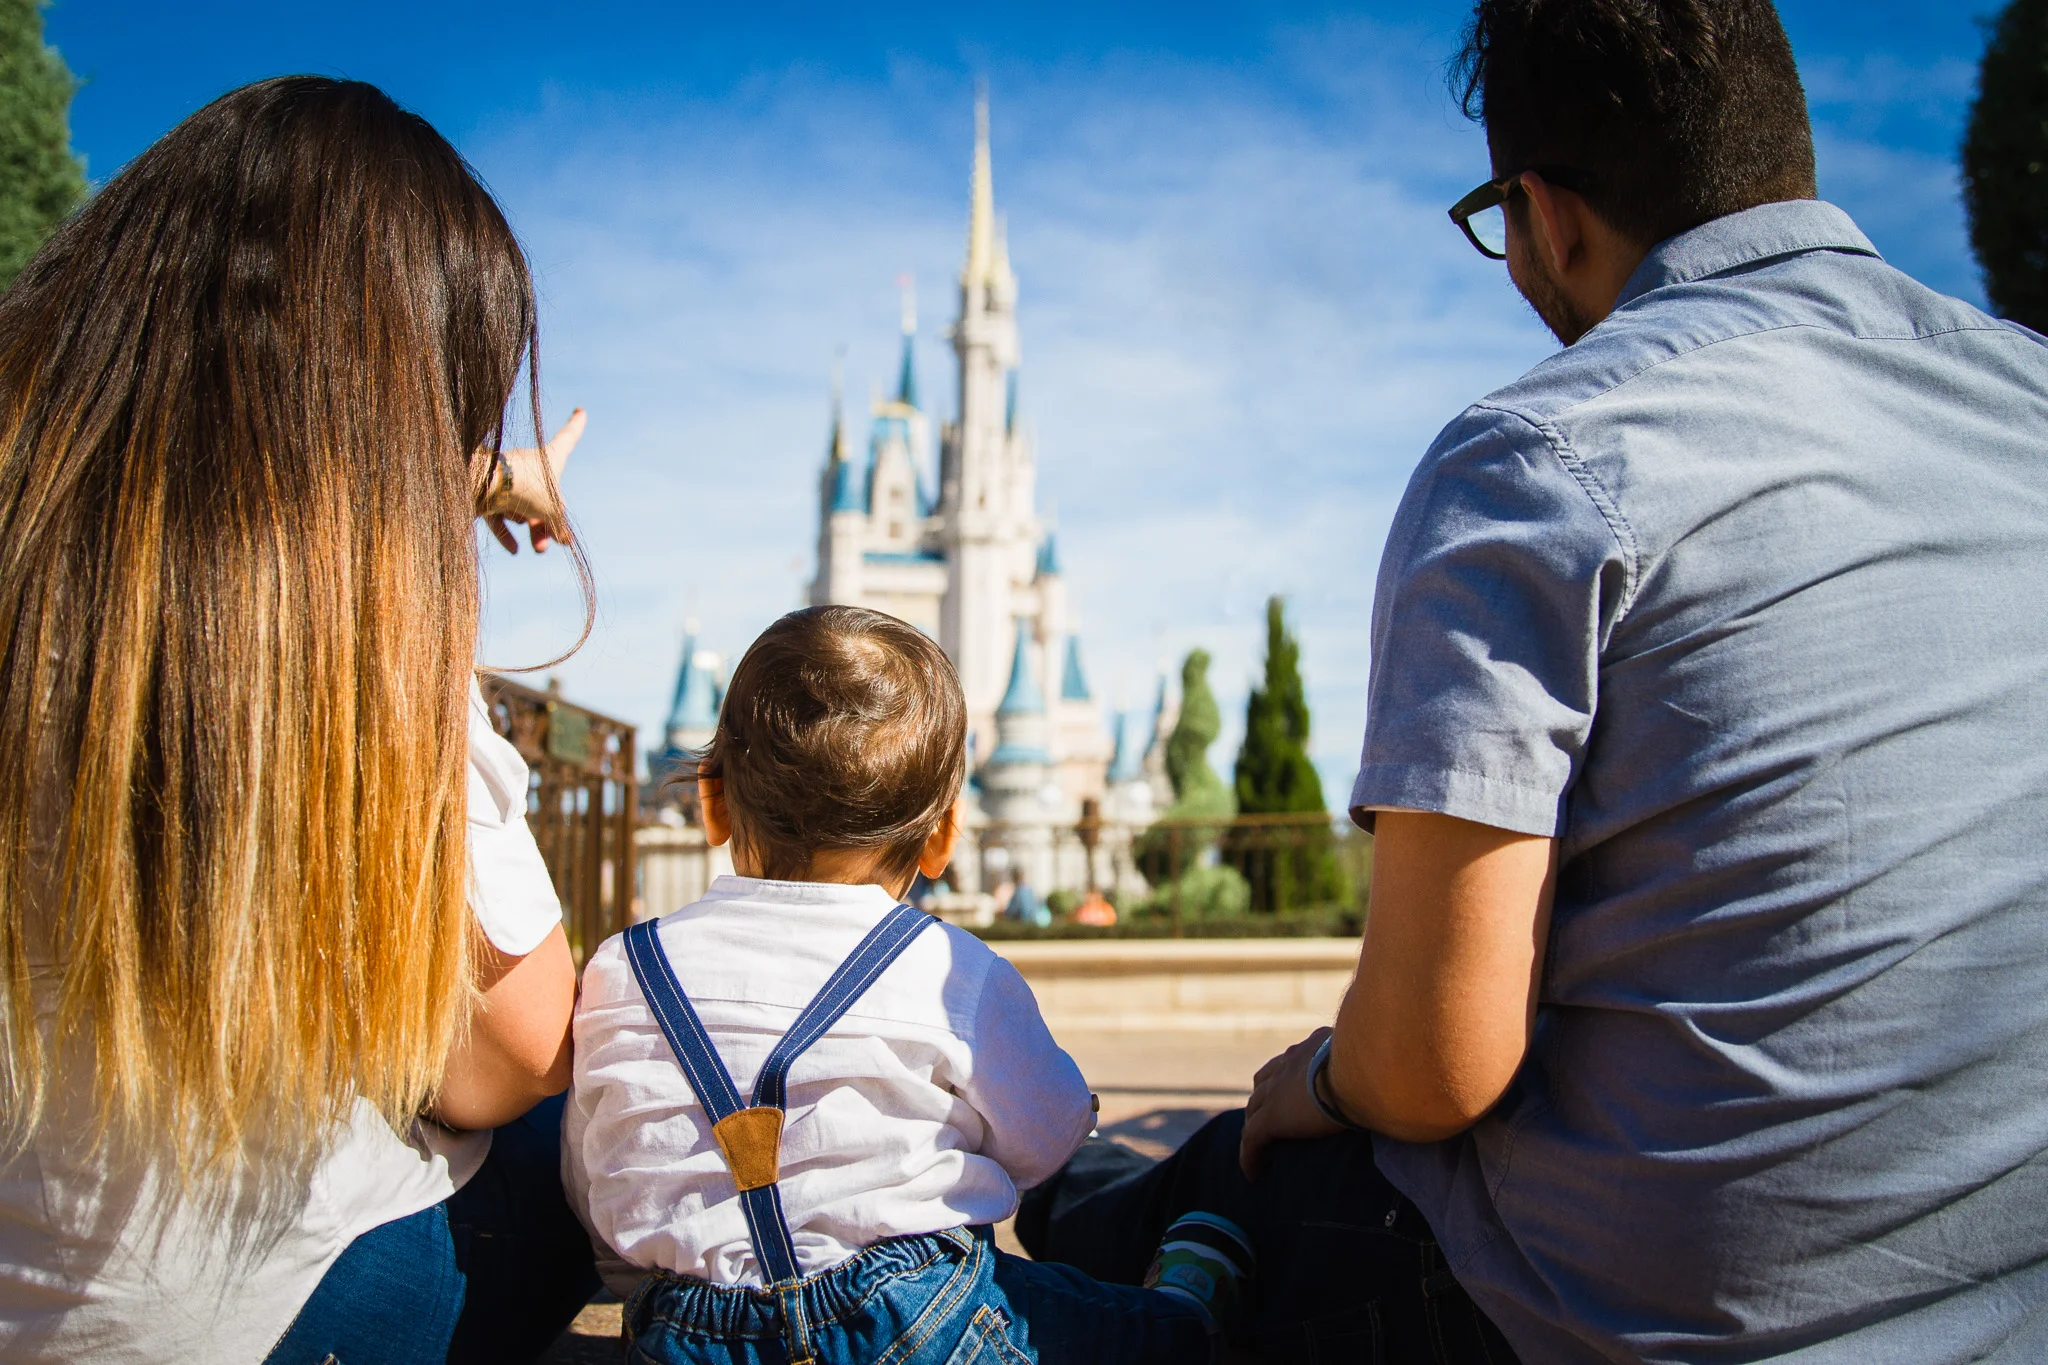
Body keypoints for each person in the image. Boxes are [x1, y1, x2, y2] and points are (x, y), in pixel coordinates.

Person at [1020, 1, 2048, 1361]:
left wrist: (1313, 1079)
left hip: (1630, 1314)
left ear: (1545, 215)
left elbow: (1430, 1067)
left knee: (1199, 1183)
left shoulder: (1537, 460)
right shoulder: (2025, 393)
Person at [0, 78, 598, 1364]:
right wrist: (442, 503)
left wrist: (469, 477)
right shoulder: (355, 633)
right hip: (231, 1316)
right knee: (583, 1122)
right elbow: (507, 1055)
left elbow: (205, 444)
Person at [564, 605, 1249, 1364]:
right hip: (913, 1319)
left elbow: (592, 1174)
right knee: (1108, 1325)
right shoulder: (950, 969)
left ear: (712, 801)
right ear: (942, 836)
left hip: (679, 1332)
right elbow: (1047, 1143)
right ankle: (1187, 1309)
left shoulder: (622, 966)